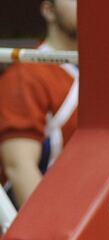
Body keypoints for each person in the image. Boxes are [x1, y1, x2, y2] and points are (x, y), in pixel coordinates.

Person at [0, 0, 78, 208]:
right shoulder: (25, 76)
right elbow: (19, 166)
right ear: (48, 10)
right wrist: (53, 236)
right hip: (58, 220)